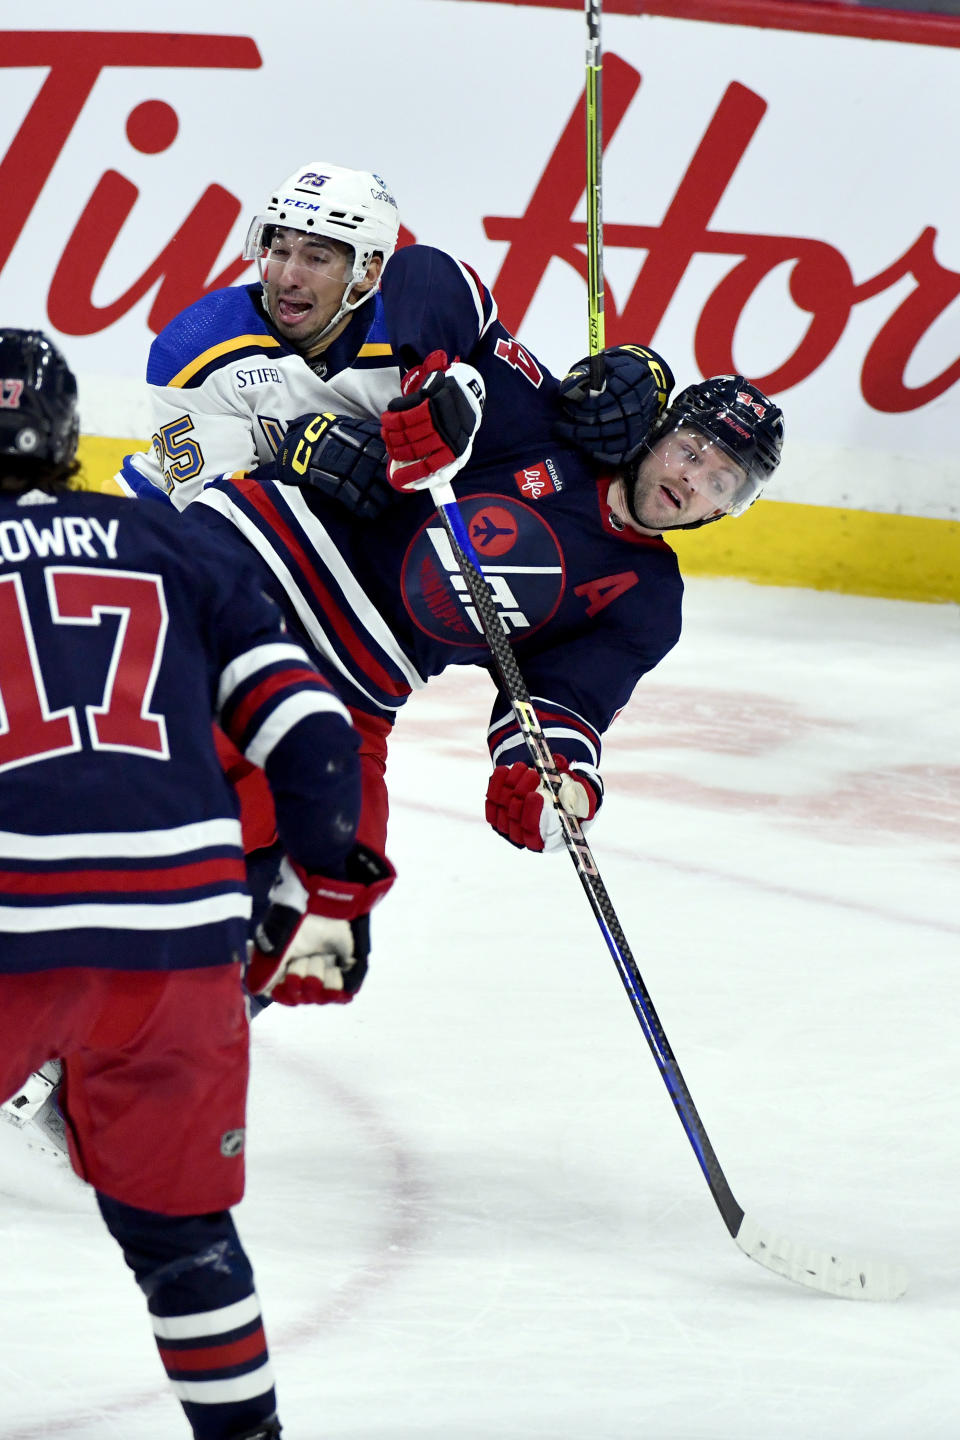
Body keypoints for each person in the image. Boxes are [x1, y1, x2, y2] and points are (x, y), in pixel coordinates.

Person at [0, 329, 394, 1440]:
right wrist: (323, 877)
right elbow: (311, 727)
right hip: (177, 943)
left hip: (11, 930)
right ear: (68, 436)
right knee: (182, 1242)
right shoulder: (171, 540)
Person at [180, 356, 785, 868]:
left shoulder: (647, 602)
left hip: (356, 686)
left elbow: (563, 704)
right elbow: (433, 281)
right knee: (163, 772)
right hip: (256, 567)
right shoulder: (553, 419)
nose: (693, 479)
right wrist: (632, 365)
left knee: (336, 873)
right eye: (690, 450)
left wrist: (554, 781)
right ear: (657, 432)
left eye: (722, 482)